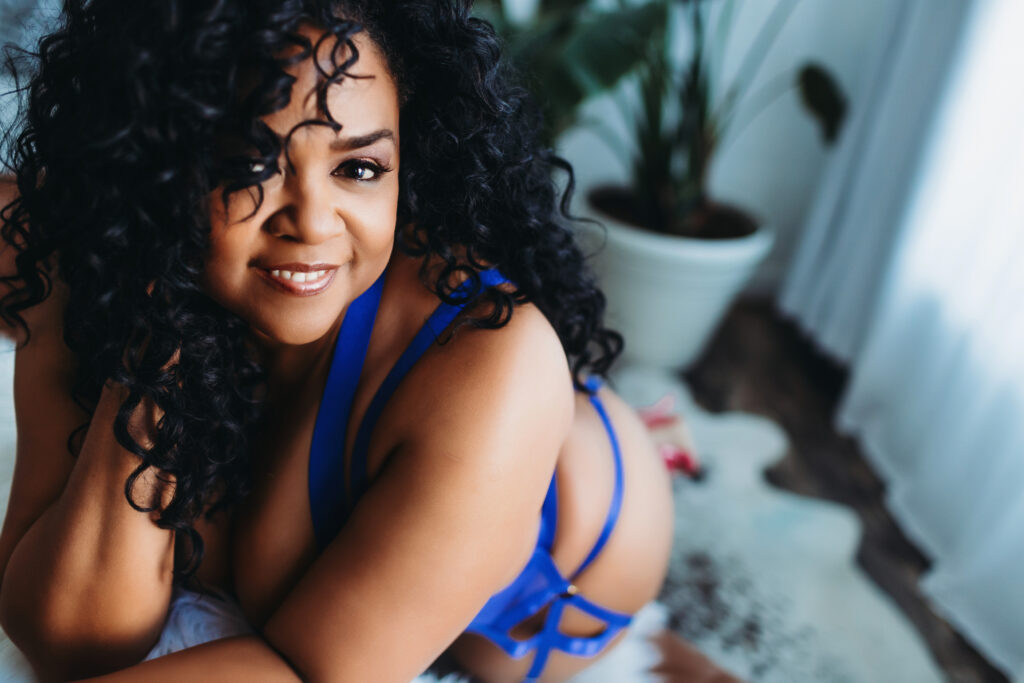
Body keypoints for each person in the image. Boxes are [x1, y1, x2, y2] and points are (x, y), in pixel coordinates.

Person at [0, 1, 690, 680]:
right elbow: (69, 642)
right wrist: (149, 347)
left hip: (558, 579)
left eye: (358, 168)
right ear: (155, 160)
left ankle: (619, 449)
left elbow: (316, 671)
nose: (312, 222)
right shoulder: (86, 255)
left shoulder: (490, 358)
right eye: (250, 165)